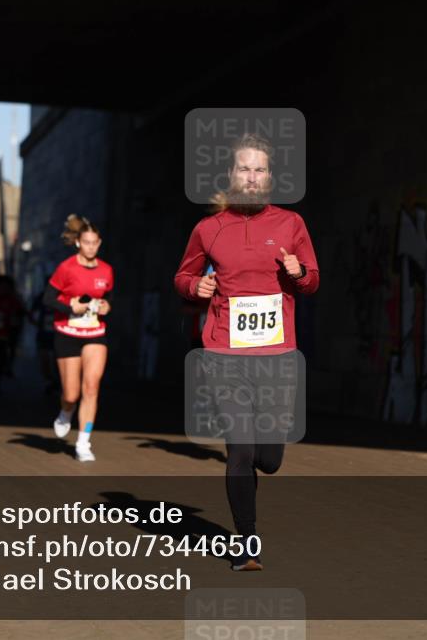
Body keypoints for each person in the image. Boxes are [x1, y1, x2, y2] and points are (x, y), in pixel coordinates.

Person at [174, 133, 319, 570]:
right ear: (231, 176)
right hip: (223, 354)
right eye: (244, 169)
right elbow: (183, 277)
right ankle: (246, 543)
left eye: (259, 170)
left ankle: (261, 463)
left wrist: (299, 272)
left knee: (268, 459)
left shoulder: (291, 224)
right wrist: (195, 287)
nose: (251, 177)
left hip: (277, 356)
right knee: (239, 449)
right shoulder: (209, 228)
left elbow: (312, 281)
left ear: (270, 176)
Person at [45, 214, 113, 462]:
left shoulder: (106, 270)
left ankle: (83, 442)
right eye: (86, 242)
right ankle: (65, 411)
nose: (91, 247)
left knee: (92, 386)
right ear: (78, 243)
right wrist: (70, 307)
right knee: (72, 394)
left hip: (95, 333)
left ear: (99, 243)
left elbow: (109, 298)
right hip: (68, 332)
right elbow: (48, 299)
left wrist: (107, 307)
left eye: (95, 243)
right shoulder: (66, 268)